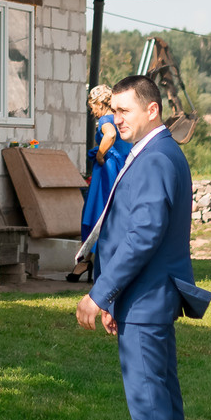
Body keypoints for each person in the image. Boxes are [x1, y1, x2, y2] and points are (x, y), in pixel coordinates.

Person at [76, 73, 193, 420]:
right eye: (114, 111)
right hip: (145, 297)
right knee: (163, 402)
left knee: (150, 406)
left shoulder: (157, 157)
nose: (116, 119)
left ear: (152, 109)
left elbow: (143, 235)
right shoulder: (153, 151)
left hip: (146, 299)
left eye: (124, 111)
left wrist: (100, 292)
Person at [78, 83, 129, 280]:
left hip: (107, 169)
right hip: (121, 166)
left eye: (92, 106)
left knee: (99, 210)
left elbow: (110, 134)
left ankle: (91, 259)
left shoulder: (106, 120)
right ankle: (91, 261)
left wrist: (100, 154)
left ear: (100, 103)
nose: (92, 111)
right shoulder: (120, 119)